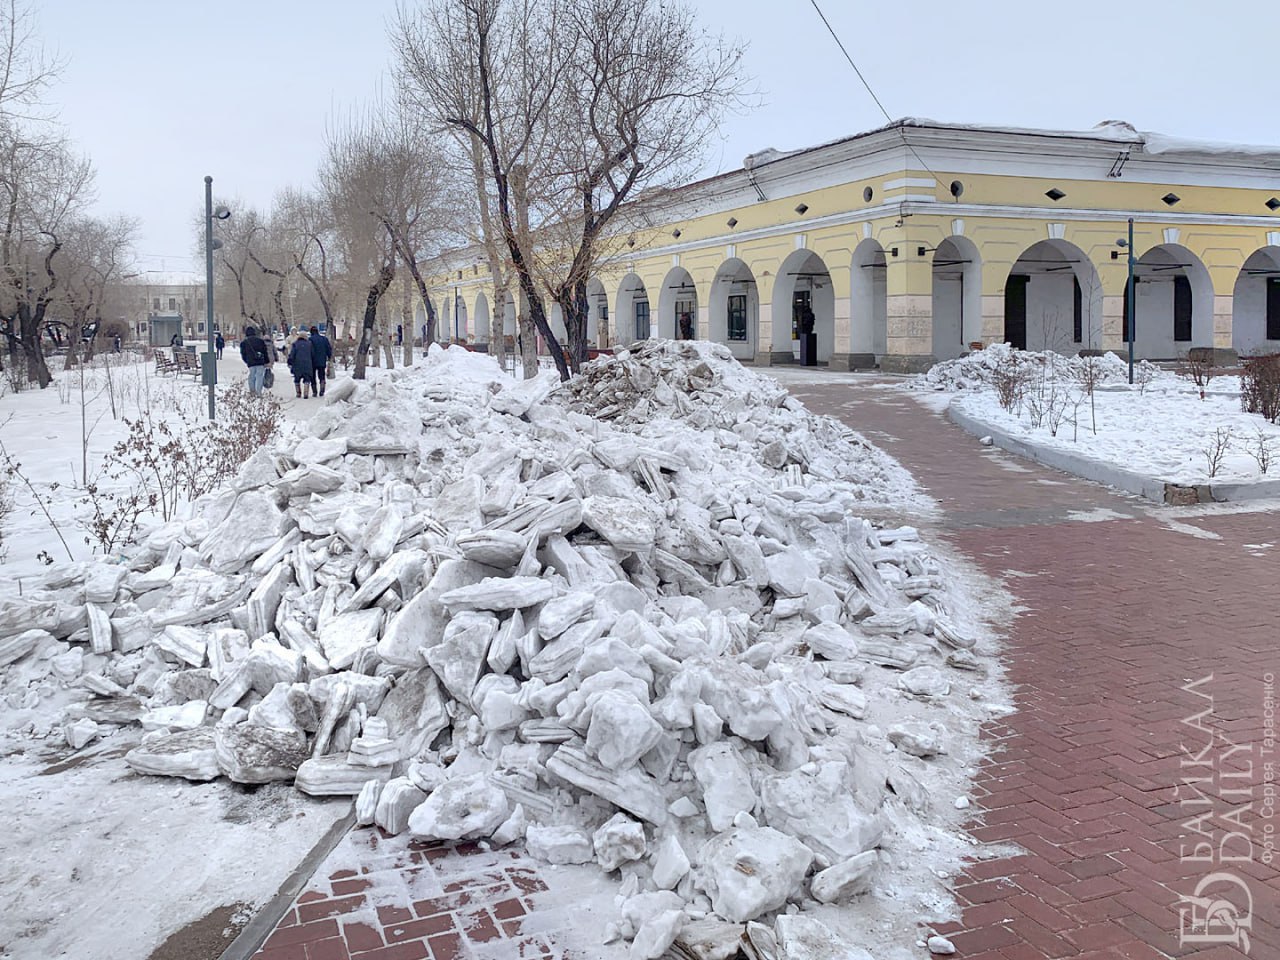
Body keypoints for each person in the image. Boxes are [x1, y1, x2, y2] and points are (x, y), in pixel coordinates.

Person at [239, 325, 270, 395]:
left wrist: (246, 360)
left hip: (251, 362)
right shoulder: (260, 341)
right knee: (259, 376)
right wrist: (266, 361)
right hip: (260, 361)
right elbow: (265, 351)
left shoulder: (244, 342)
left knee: (252, 376)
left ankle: (252, 391)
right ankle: (259, 391)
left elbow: (243, 353)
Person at [287, 329, 316, 398]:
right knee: (307, 379)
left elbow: (292, 354)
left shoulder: (295, 344)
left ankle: (298, 393)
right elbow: (313, 354)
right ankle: (306, 393)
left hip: (297, 364)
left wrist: (290, 362)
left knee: (297, 379)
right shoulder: (309, 344)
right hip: (307, 364)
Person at [309, 325, 332, 397]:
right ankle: (322, 389)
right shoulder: (324, 339)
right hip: (322, 360)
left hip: (312, 361)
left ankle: (314, 391)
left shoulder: (310, 340)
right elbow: (329, 349)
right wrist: (329, 356)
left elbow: (308, 350)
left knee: (312, 376)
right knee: (321, 375)